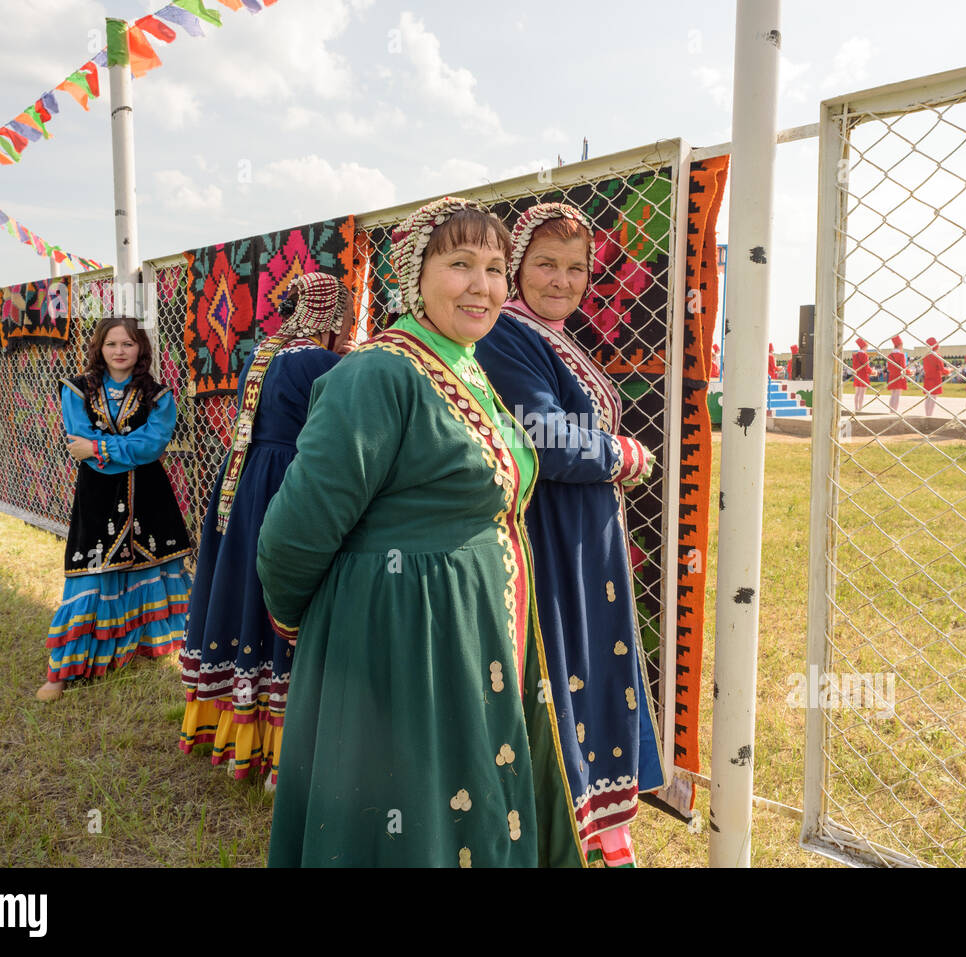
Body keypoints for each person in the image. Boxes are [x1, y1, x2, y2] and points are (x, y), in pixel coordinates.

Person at [257, 197, 584, 868]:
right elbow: (293, 532)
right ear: (414, 275)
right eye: (460, 263)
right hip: (401, 645)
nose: (484, 285)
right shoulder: (377, 373)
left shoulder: (466, 366)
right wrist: (304, 625)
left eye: (496, 268)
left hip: (469, 636)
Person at [475, 202, 664, 867]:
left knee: (593, 666)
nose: (561, 280)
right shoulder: (506, 334)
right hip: (548, 534)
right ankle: (566, 827)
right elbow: (547, 439)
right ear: (517, 268)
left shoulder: (553, 335)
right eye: (545, 264)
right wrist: (623, 455)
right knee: (563, 675)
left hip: (585, 530)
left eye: (575, 268)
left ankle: (603, 829)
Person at [179, 272, 352, 786]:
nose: (347, 330)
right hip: (289, 481)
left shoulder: (262, 352)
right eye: (344, 318)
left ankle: (232, 731)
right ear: (328, 315)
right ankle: (283, 750)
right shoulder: (323, 362)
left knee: (244, 594)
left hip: (243, 480)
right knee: (282, 596)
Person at [36, 316, 192, 702]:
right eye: (111, 344)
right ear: (99, 348)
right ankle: (65, 670)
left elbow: (152, 445)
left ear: (141, 348)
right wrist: (111, 450)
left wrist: (101, 448)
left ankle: (145, 646)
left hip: (148, 495)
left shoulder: (159, 395)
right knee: (91, 574)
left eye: (127, 344)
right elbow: (79, 443)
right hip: (98, 495)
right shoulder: (77, 389)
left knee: (153, 565)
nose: (119, 352)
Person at [922, 337, 949, 417]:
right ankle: (930, 415)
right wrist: (949, 370)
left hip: (927, 379)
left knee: (927, 398)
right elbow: (942, 370)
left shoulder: (925, 357)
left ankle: (927, 414)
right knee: (933, 398)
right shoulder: (937, 356)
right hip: (935, 379)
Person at [887, 334, 908, 412]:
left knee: (892, 395)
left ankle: (891, 410)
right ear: (899, 345)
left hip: (892, 376)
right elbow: (903, 367)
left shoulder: (890, 355)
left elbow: (888, 367)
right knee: (897, 395)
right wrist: (909, 372)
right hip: (899, 376)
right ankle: (895, 411)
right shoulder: (901, 355)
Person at [852, 337, 871, 412]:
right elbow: (867, 368)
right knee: (862, 394)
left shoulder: (855, 355)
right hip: (863, 376)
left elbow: (854, 367)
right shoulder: (865, 355)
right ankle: (860, 408)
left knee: (857, 393)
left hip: (857, 375)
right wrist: (873, 372)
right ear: (864, 346)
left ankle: (856, 408)